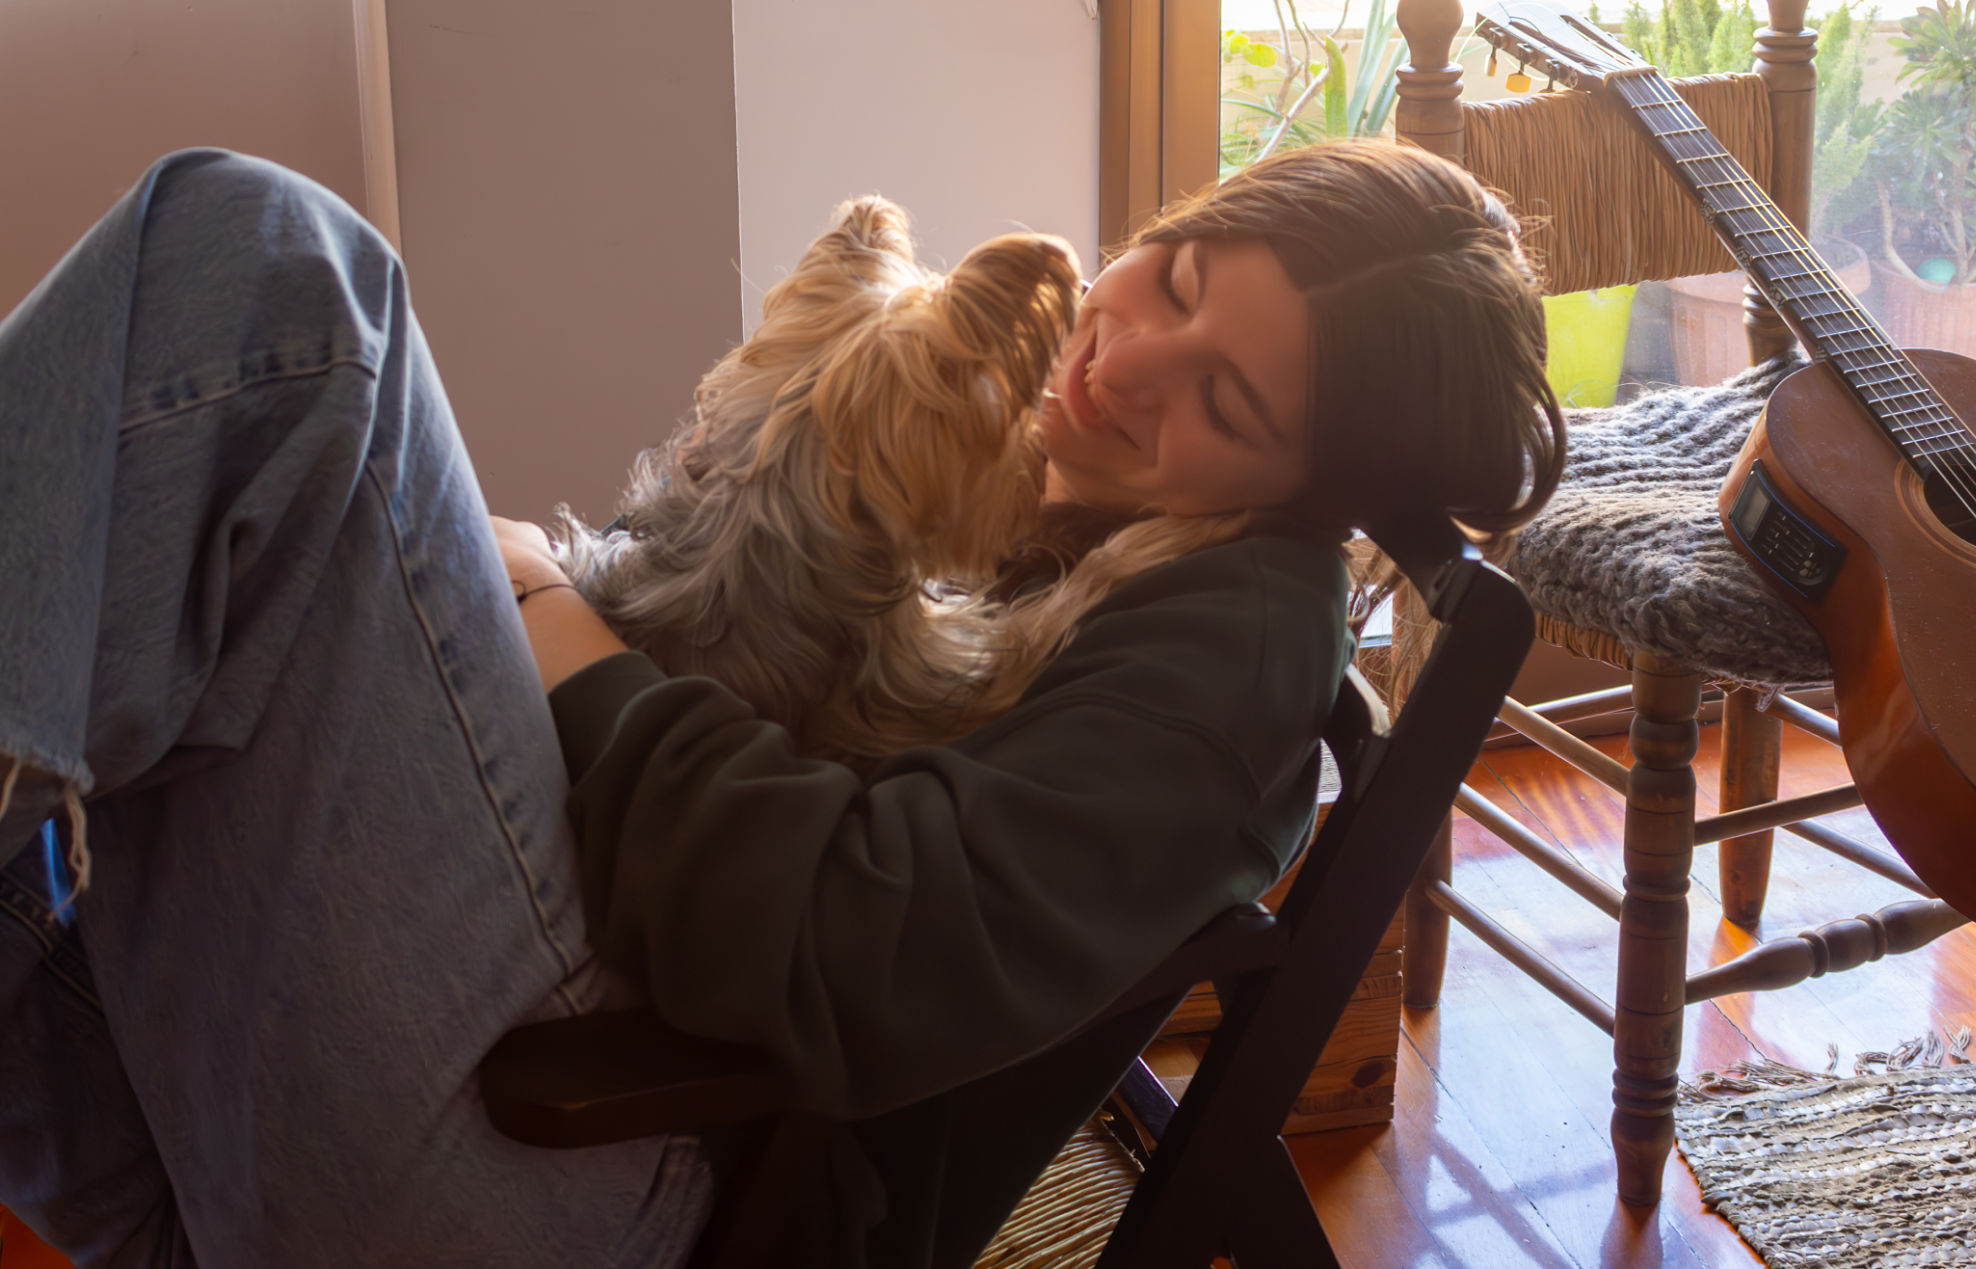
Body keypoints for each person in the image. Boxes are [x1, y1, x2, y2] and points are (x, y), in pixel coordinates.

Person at [0, 139, 1562, 1267]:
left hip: (643, 1182)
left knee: (274, 271)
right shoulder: (1065, 500)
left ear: (1306, 489)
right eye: (1181, 274)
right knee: (210, 517)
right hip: (476, 1111)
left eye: (1224, 397)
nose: (1125, 354)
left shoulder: (1226, 653)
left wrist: (550, 616)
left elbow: (853, 951)